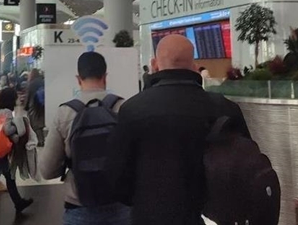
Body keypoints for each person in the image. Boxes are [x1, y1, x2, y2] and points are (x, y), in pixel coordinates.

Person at [106, 35, 251, 225]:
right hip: (211, 217)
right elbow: (246, 168)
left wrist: (143, 201)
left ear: (154, 64)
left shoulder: (133, 110)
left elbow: (117, 178)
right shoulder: (225, 108)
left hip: (150, 216)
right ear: (194, 66)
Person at [40, 52, 130, 224]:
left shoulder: (65, 113)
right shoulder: (123, 108)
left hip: (79, 208)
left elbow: (47, 170)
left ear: (78, 78)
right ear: (105, 76)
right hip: (120, 205)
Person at [0, 88, 35, 213]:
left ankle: (18, 202)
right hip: (0, 150)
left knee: (8, 176)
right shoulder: (6, 112)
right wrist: (16, 127)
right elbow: (7, 130)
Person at [25, 68, 45, 145]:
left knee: (35, 123)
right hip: (42, 104)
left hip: (34, 105)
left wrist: (26, 106)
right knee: (40, 122)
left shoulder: (32, 83)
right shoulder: (43, 81)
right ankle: (41, 139)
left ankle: (40, 140)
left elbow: (28, 96)